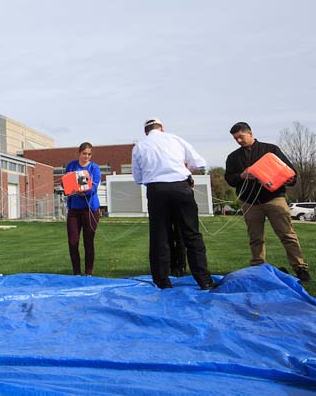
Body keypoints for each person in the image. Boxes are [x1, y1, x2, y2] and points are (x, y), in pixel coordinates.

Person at [131, 118, 216, 290]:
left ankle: (162, 281)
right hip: (180, 187)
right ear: (161, 128)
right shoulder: (174, 139)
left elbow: (138, 177)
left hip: (156, 190)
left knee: (159, 236)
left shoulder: (140, 145)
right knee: (191, 234)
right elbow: (199, 163)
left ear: (145, 131)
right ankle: (204, 280)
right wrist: (183, 171)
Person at [224, 122, 311, 282]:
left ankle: (300, 268)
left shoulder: (271, 150)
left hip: (274, 199)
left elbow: (290, 172)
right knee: (255, 238)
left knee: (287, 235)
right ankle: (258, 268)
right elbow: (229, 178)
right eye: (235, 139)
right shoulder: (233, 157)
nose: (238, 141)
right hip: (249, 202)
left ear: (250, 133)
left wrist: (290, 179)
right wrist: (241, 176)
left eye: (241, 137)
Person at [64, 142, 101, 276]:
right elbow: (67, 183)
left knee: (88, 241)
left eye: (89, 154)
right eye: (84, 153)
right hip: (74, 209)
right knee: (73, 242)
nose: (86, 156)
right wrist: (71, 189)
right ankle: (77, 272)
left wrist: (83, 192)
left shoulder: (94, 168)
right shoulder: (71, 166)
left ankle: (89, 272)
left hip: (90, 209)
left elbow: (94, 188)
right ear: (79, 153)